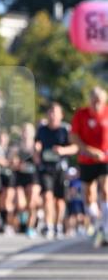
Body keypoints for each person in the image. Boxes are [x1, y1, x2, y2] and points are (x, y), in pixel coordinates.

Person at [70, 86, 108, 247]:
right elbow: (74, 138)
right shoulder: (81, 114)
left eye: (99, 99)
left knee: (105, 189)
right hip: (86, 159)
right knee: (88, 196)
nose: (96, 103)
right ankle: (98, 222)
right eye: (94, 99)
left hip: (105, 158)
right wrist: (89, 151)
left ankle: (106, 228)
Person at [35, 103, 75, 239]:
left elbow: (75, 147)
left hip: (60, 168)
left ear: (61, 115)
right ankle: (49, 225)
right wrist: (36, 153)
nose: (52, 115)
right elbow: (36, 145)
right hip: (46, 168)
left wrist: (63, 150)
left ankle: (58, 225)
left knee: (59, 201)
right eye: (50, 112)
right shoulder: (42, 130)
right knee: (47, 197)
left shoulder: (66, 130)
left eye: (55, 112)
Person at [12, 122, 41, 238]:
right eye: (24, 131)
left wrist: (36, 151)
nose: (26, 134)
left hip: (33, 176)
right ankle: (23, 220)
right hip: (20, 176)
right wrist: (17, 164)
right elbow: (12, 162)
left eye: (28, 131)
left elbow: (38, 162)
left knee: (31, 203)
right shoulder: (17, 146)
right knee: (20, 203)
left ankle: (30, 227)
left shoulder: (36, 145)